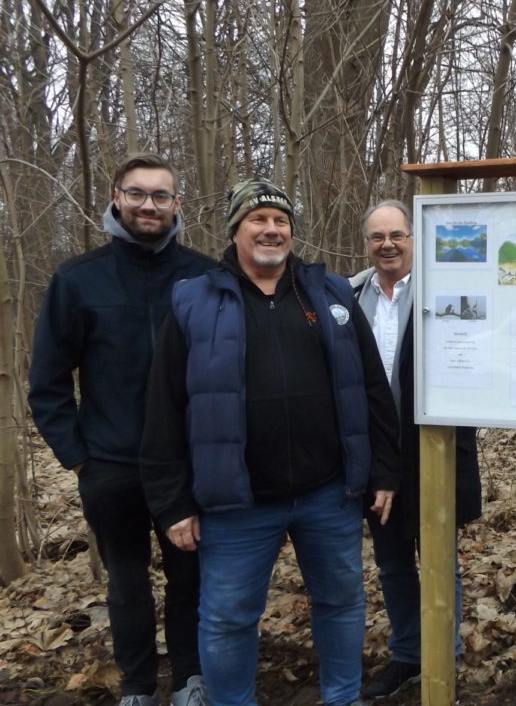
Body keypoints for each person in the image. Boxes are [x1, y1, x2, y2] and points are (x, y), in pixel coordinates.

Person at [140, 180, 402, 706]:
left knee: (342, 602)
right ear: (236, 231)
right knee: (227, 618)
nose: (271, 229)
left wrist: (384, 471)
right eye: (257, 219)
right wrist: (171, 502)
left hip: (328, 493)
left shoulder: (330, 293)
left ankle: (342, 698)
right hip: (236, 502)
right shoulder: (196, 300)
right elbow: (163, 409)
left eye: (281, 221)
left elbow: (372, 387)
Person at [28, 154, 213, 706]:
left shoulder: (204, 276)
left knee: (191, 581)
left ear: (178, 204)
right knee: (127, 583)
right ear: (115, 198)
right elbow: (48, 381)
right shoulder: (78, 280)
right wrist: (78, 456)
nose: (149, 205)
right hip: (110, 464)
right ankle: (136, 688)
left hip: (189, 466)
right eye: (137, 194)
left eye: (161, 195)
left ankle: (189, 681)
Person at [348, 201, 482, 698]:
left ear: (413, 239)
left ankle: (442, 657)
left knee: (440, 557)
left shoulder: (444, 290)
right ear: (366, 242)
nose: (388, 244)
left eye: (398, 235)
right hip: (374, 454)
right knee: (391, 560)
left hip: (436, 448)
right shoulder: (350, 295)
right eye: (378, 236)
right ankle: (407, 653)